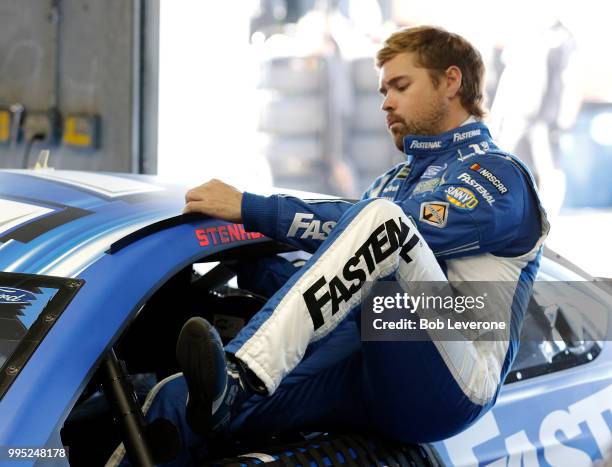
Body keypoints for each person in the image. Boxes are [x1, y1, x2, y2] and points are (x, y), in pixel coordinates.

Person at [110, 26, 549, 466]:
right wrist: (254, 265)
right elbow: (338, 283)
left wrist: (253, 209)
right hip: (364, 368)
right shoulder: (390, 182)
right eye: (381, 90)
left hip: (454, 383)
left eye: (400, 85)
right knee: (178, 402)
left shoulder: (501, 177)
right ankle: (228, 386)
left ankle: (243, 373)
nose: (385, 102)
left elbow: (404, 227)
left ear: (450, 81)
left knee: (381, 220)